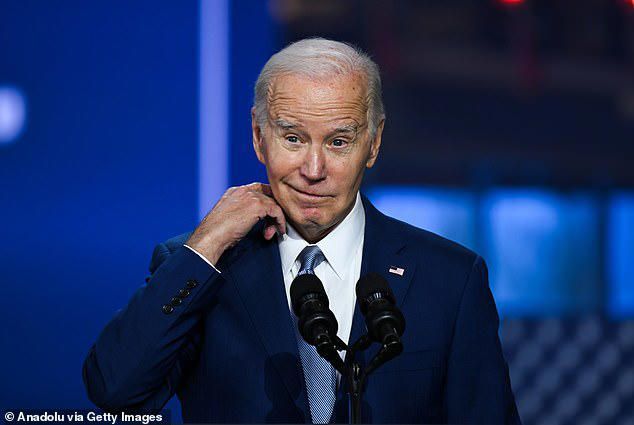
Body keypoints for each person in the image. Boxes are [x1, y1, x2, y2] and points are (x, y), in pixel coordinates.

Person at [83, 38, 520, 424]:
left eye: (338, 142)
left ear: (373, 143)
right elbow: (115, 391)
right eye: (293, 138)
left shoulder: (449, 280)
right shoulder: (203, 269)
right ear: (259, 137)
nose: (313, 170)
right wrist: (207, 244)